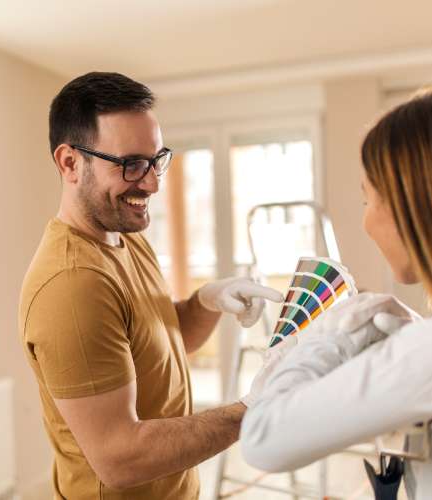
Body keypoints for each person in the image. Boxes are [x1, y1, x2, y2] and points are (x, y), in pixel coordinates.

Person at [18, 72, 282, 499]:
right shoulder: (72, 284)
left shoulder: (126, 237)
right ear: (69, 163)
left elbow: (160, 344)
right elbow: (119, 457)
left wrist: (208, 301)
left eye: (157, 160)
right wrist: (252, 411)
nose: (153, 182)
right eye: (131, 165)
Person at [240, 88, 432, 499]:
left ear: (412, 208)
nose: (365, 223)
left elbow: (263, 438)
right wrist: (409, 337)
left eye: (368, 199)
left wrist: (332, 334)